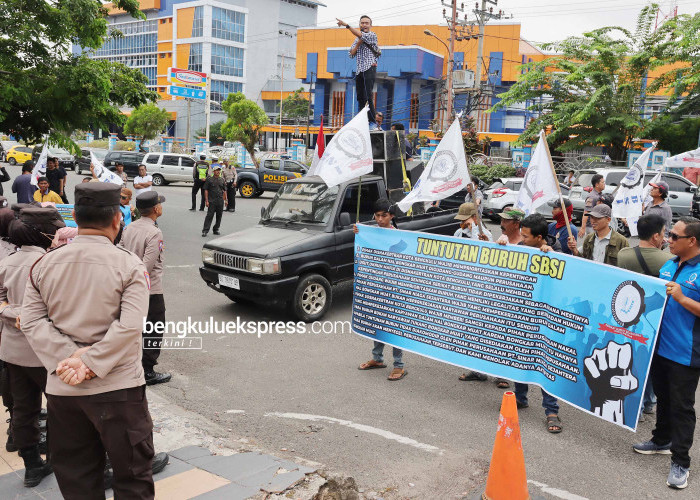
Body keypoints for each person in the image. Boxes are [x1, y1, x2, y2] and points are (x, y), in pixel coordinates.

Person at [20, 183, 158, 498]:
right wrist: (90, 362)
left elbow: (30, 321)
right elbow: (131, 325)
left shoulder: (43, 264)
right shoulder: (130, 265)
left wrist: (71, 359)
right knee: (133, 479)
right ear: (116, 220)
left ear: (77, 220)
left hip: (64, 390)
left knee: (77, 481)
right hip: (118, 391)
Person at [633, 217, 700, 490]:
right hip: (659, 348)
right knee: (663, 398)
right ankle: (661, 440)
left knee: (682, 407)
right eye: (669, 235)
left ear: (692, 241)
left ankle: (681, 462)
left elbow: (683, 303)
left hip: (685, 353)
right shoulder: (668, 265)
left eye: (674, 236)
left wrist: (684, 298)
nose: (667, 239)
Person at [0, 207, 65, 487]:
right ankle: (60, 458)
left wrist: (12, 314)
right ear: (43, 233)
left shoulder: (8, 261)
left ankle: (32, 466)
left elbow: (1, 299)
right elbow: (60, 308)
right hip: (44, 351)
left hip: (12, 350)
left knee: (24, 409)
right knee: (62, 408)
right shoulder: (49, 264)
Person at [617, 214, 673, 420]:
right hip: (657, 317)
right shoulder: (668, 260)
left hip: (630, 313)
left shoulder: (624, 254)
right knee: (653, 361)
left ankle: (635, 405)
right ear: (657, 236)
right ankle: (648, 403)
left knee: (635, 360)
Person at [513, 214, 563, 433]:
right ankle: (520, 397)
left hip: (547, 319)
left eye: (525, 236)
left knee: (545, 363)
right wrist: (503, 245)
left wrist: (555, 257)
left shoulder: (557, 251)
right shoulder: (522, 247)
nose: (522, 239)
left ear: (540, 237)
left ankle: (551, 411)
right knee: (520, 357)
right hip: (524, 313)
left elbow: (569, 276)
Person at [120, 191, 172, 386]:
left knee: (135, 329)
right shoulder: (154, 232)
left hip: (129, 288)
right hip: (150, 291)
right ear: (156, 209)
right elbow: (146, 265)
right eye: (160, 204)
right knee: (153, 329)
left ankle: (133, 366)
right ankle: (147, 370)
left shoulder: (129, 227)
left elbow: (121, 254)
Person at [354, 199, 406, 380]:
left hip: (394, 289)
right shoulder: (372, 234)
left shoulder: (399, 237)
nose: (380, 219)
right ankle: (377, 358)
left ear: (391, 216)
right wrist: (358, 233)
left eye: (384, 215)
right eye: (377, 215)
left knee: (394, 326)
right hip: (377, 287)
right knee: (377, 323)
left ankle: (399, 365)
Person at [337, 15, 379, 126]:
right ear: (360, 24)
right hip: (359, 70)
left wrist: (346, 25)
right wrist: (359, 44)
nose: (364, 25)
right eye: (362, 23)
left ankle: (372, 121)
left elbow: (361, 35)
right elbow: (351, 54)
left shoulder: (372, 35)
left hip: (369, 67)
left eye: (366, 23)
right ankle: (362, 121)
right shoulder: (357, 39)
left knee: (367, 95)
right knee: (360, 97)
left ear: (370, 25)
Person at [202, 165, 227, 237]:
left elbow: (225, 190)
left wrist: (226, 200)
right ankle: (205, 230)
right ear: (213, 171)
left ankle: (216, 229)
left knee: (219, 216)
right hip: (212, 201)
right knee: (209, 216)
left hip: (220, 201)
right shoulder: (209, 180)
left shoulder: (222, 179)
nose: (218, 172)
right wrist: (206, 201)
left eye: (219, 170)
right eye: (217, 170)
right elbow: (206, 190)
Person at [578, 173, 605, 238]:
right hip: (591, 227)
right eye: (603, 182)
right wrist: (583, 228)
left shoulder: (599, 195)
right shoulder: (592, 197)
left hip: (598, 225)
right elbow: (586, 212)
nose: (604, 184)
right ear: (597, 185)